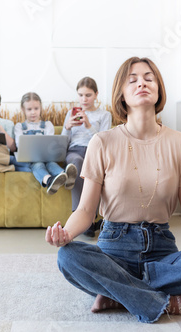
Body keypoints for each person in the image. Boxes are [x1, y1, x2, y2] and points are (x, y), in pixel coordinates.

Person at [45, 57, 181, 323]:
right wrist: (66, 234)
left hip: (162, 251)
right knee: (68, 257)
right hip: (114, 250)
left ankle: (120, 292)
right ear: (121, 94)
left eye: (149, 78)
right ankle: (171, 302)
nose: (142, 83)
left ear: (158, 89)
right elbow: (86, 210)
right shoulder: (101, 142)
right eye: (133, 79)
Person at [61, 77, 112, 234]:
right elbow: (63, 141)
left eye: (88, 95)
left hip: (93, 151)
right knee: (76, 163)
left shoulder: (104, 115)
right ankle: (83, 219)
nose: (84, 99)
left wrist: (89, 125)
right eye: (81, 95)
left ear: (96, 94)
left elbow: (104, 141)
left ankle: (87, 221)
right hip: (74, 151)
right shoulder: (71, 113)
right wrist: (67, 127)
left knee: (90, 169)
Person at [14, 92, 78, 195]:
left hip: (46, 157)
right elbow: (19, 144)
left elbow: (51, 143)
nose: (33, 112)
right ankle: (49, 180)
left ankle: (64, 176)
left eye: (36, 108)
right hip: (30, 160)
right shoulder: (19, 127)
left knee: (51, 163)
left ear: (41, 108)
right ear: (23, 109)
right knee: (38, 164)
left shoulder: (48, 125)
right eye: (29, 109)